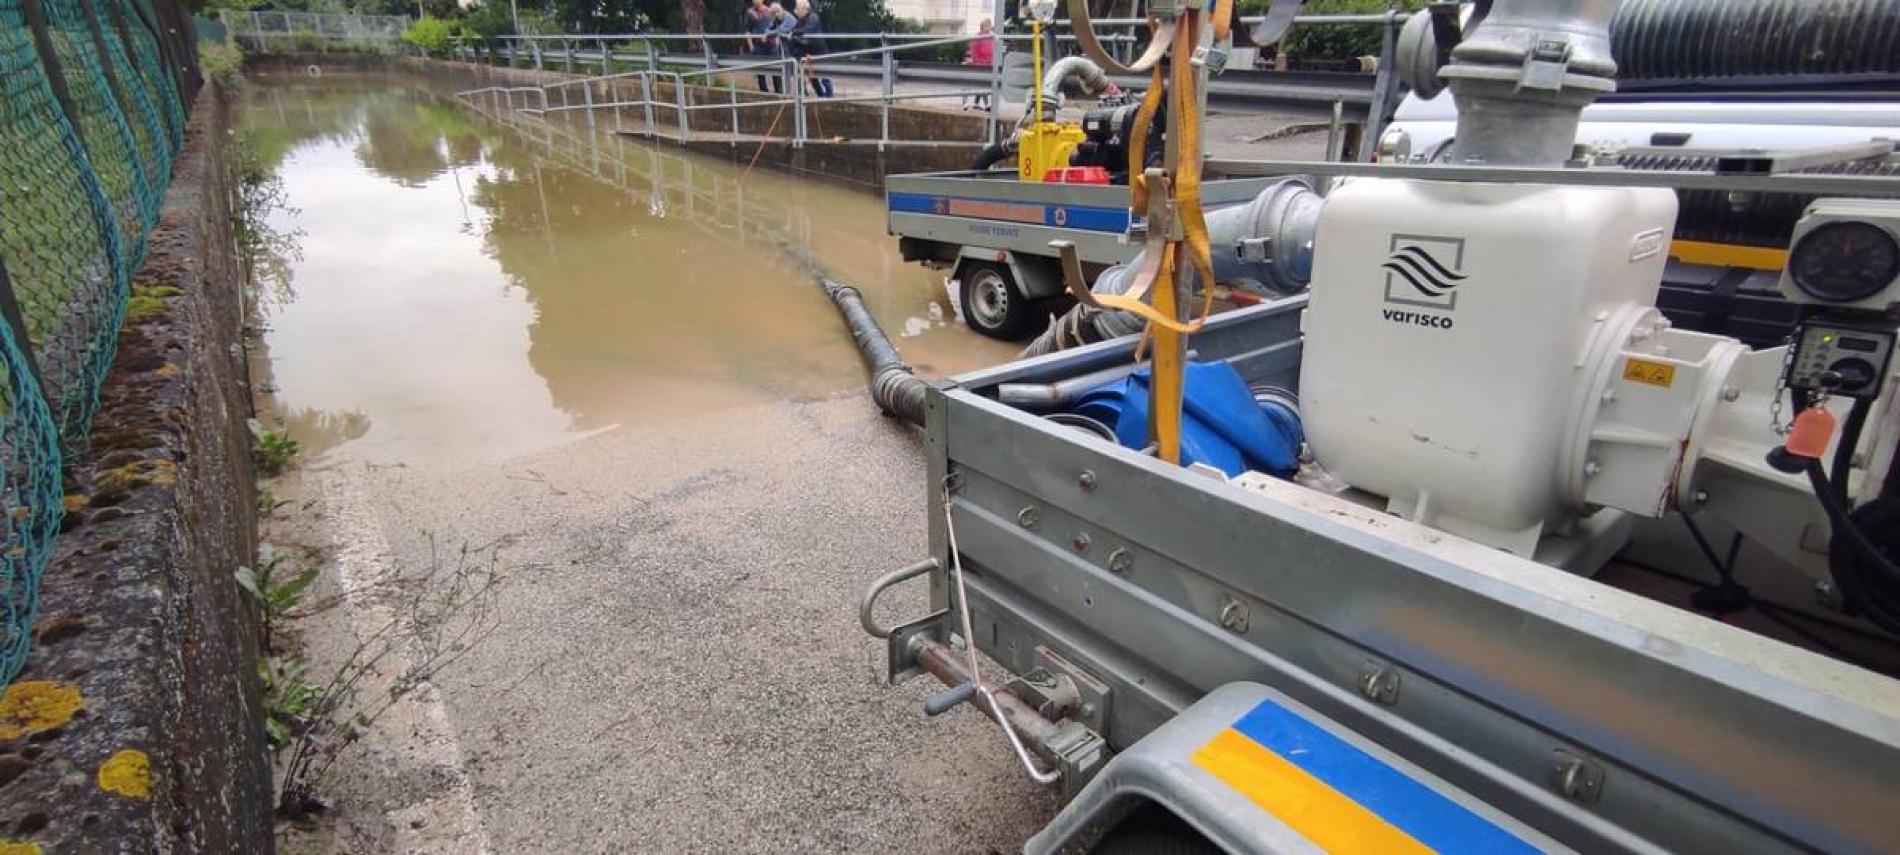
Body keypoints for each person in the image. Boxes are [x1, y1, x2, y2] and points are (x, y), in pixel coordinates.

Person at [781, 0, 832, 98]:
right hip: (808, 53)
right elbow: (797, 31)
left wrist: (793, 33)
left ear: (805, 9)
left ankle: (828, 96)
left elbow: (806, 30)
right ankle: (821, 95)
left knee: (824, 76)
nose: (795, 11)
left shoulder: (813, 17)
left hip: (819, 51)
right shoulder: (800, 20)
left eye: (797, 8)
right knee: (812, 77)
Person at [743, 0, 777, 92]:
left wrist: (777, 41)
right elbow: (748, 31)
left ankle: (778, 90)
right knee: (760, 72)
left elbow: (776, 27)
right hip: (758, 45)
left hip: (771, 45)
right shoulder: (749, 13)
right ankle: (764, 91)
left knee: (776, 69)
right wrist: (751, 46)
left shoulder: (769, 11)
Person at [963, 18, 995, 110]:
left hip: (988, 63)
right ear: (982, 26)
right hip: (978, 63)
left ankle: (976, 103)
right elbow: (974, 51)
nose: (988, 27)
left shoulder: (990, 37)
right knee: (979, 84)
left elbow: (993, 50)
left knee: (982, 84)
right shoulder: (978, 37)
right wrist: (976, 61)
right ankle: (985, 104)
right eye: (986, 25)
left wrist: (992, 61)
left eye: (989, 25)